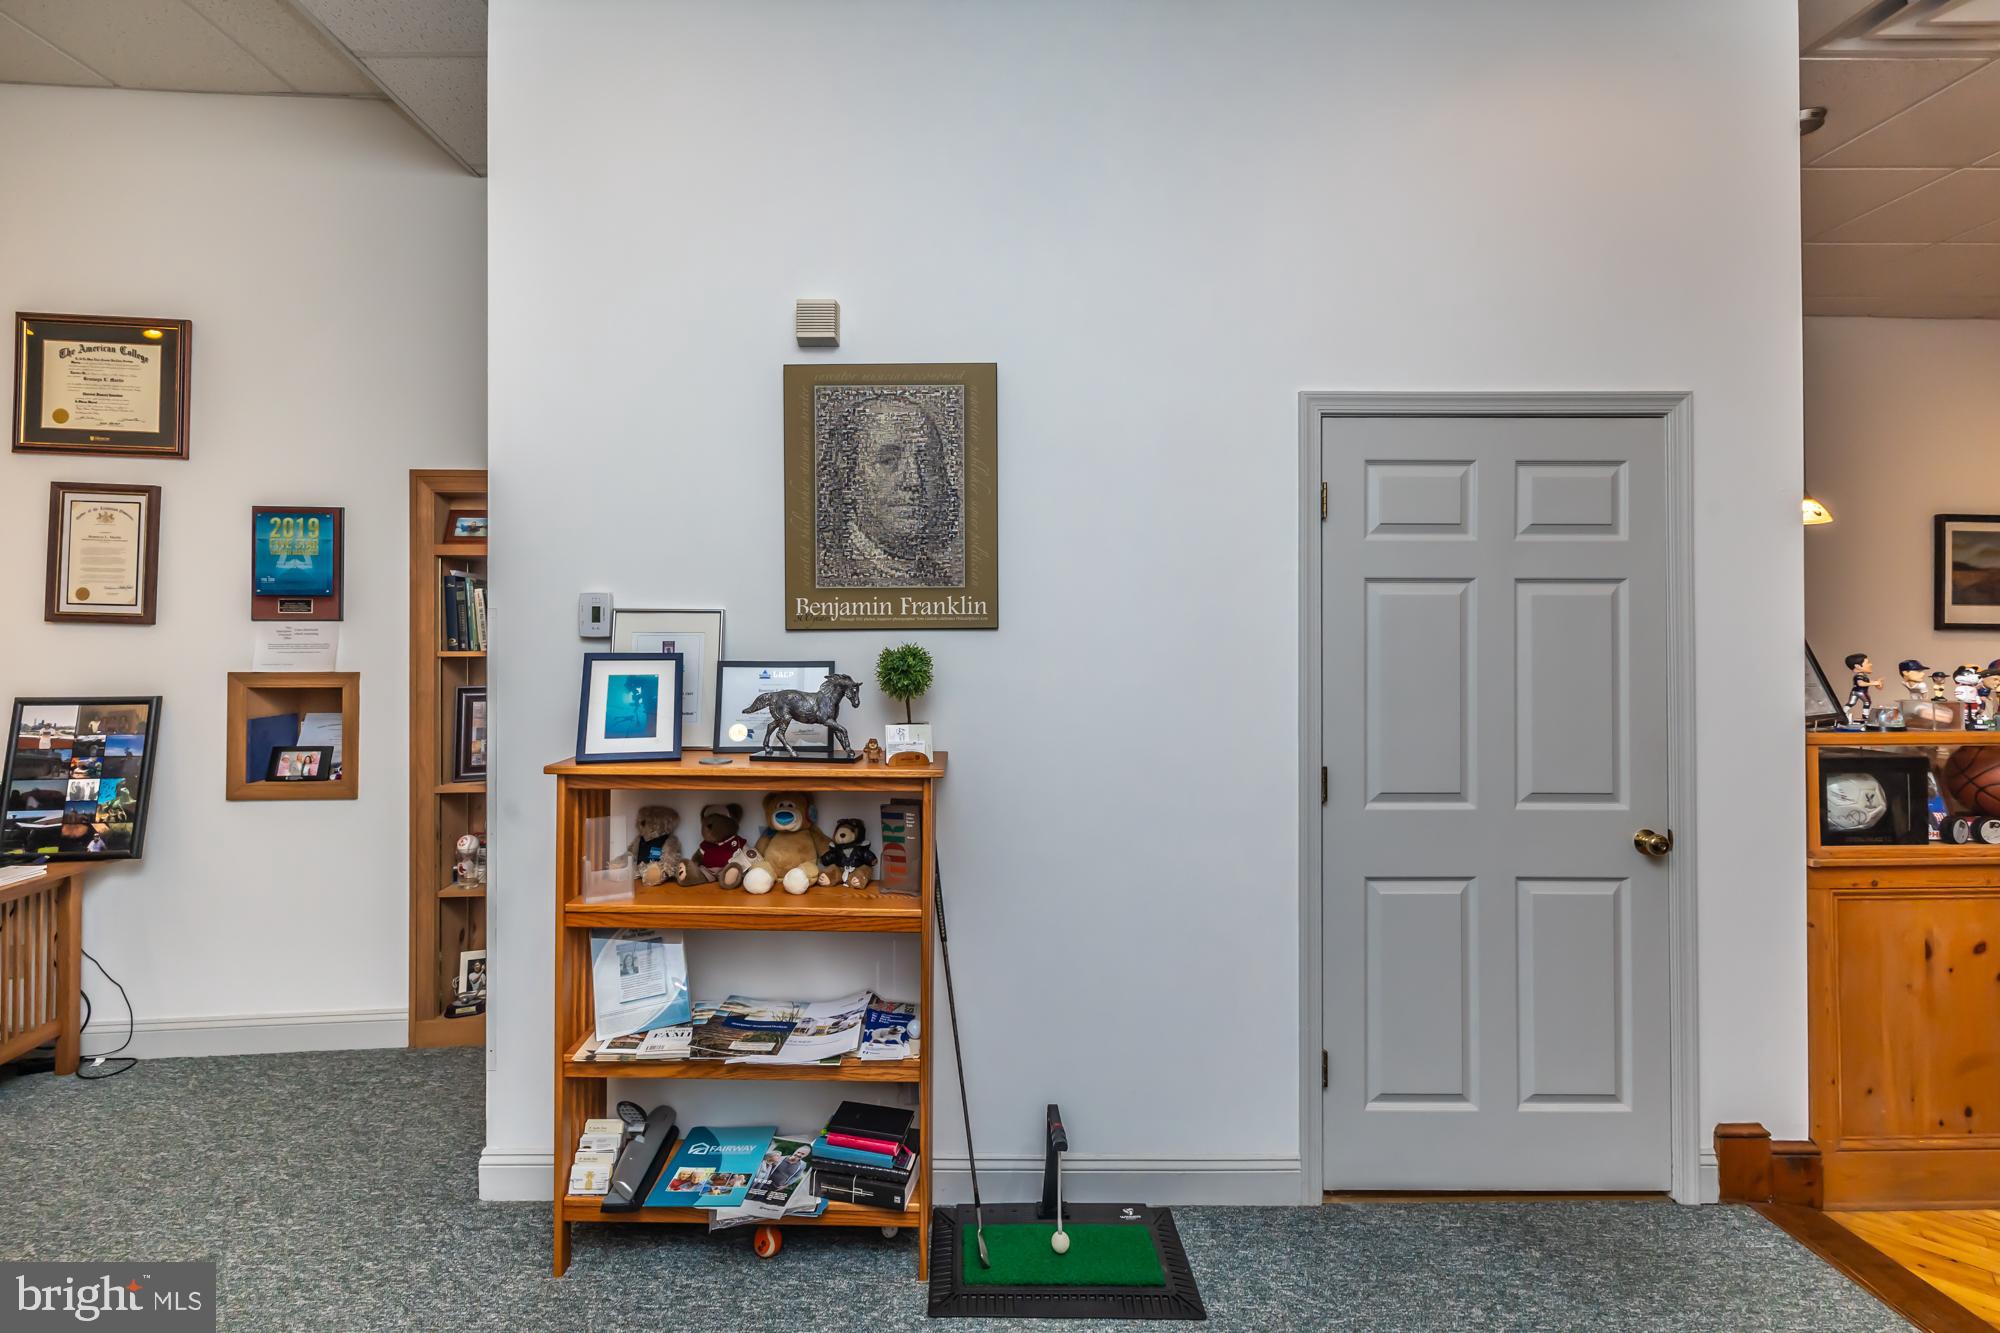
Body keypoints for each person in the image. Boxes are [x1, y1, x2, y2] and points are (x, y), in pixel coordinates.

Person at [815, 393, 964, 588]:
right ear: (847, 477)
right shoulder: (829, 576)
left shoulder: (940, 580)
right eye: (888, 461)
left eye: (926, 462)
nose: (914, 480)